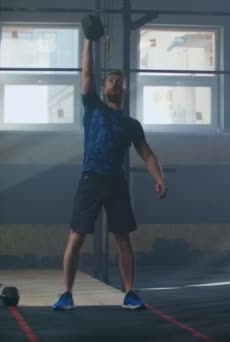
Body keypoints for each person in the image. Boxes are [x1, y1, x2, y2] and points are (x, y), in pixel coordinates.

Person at [52, 36, 168, 311]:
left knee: (123, 239)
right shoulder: (93, 108)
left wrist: (159, 178)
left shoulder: (131, 124)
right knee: (76, 238)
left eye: (120, 81)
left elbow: (147, 154)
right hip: (91, 178)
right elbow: (87, 73)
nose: (116, 83)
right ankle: (66, 294)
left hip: (116, 183)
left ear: (125, 90)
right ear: (104, 88)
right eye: (111, 80)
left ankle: (129, 293)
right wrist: (89, 41)